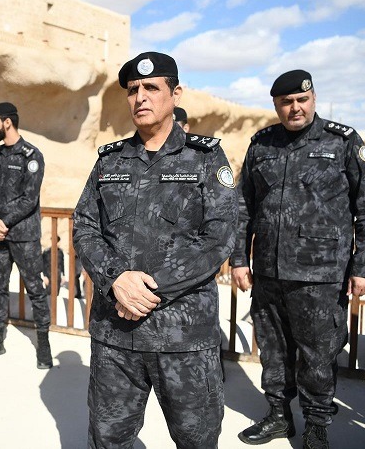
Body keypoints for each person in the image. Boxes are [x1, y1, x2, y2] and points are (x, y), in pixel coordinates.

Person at [73, 52, 237, 448]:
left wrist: (146, 289)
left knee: (196, 439)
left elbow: (219, 237)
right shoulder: (110, 160)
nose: (140, 97)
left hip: (182, 337)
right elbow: (84, 225)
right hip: (116, 334)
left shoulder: (204, 157)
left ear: (175, 94)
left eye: (151, 87)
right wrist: (116, 280)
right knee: (108, 438)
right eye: (133, 90)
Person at [231, 70, 365, 449]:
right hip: (269, 272)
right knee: (273, 350)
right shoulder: (262, 144)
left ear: (313, 99)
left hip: (321, 276)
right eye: (286, 102)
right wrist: (239, 259)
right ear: (276, 105)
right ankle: (278, 416)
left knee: (318, 354)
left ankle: (316, 425)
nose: (295, 107)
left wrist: (364, 268)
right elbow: (243, 206)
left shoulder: (342, 141)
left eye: (302, 99)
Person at [0, 102, 52, 369]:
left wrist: (3, 221)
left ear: (7, 122)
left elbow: (30, 199)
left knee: (35, 289)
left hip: (24, 237)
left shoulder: (32, 155)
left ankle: (43, 343)